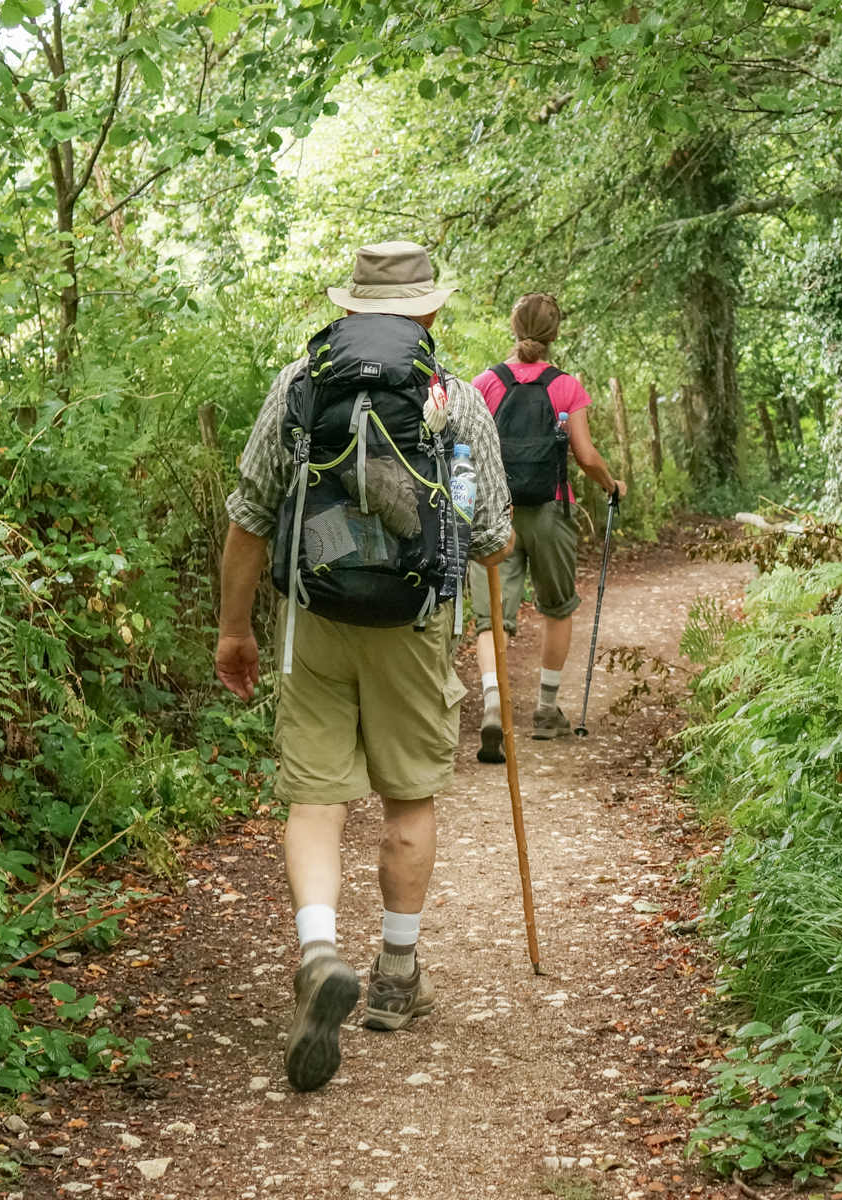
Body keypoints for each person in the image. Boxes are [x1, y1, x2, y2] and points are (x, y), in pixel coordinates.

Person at [215, 242, 513, 1093]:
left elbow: (248, 515)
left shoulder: (298, 386)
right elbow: (492, 536)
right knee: (408, 797)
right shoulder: (455, 398)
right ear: (428, 312)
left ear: (347, 309)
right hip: (414, 626)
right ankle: (394, 976)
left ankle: (317, 952)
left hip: (311, 621)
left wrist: (234, 629)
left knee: (316, 796)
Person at [467, 293, 626, 763]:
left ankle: (494, 705)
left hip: (497, 514)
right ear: (556, 334)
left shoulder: (485, 384)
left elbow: (469, 452)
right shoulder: (566, 386)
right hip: (553, 511)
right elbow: (586, 455)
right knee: (557, 608)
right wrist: (610, 484)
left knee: (493, 616)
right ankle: (544, 709)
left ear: (513, 330)